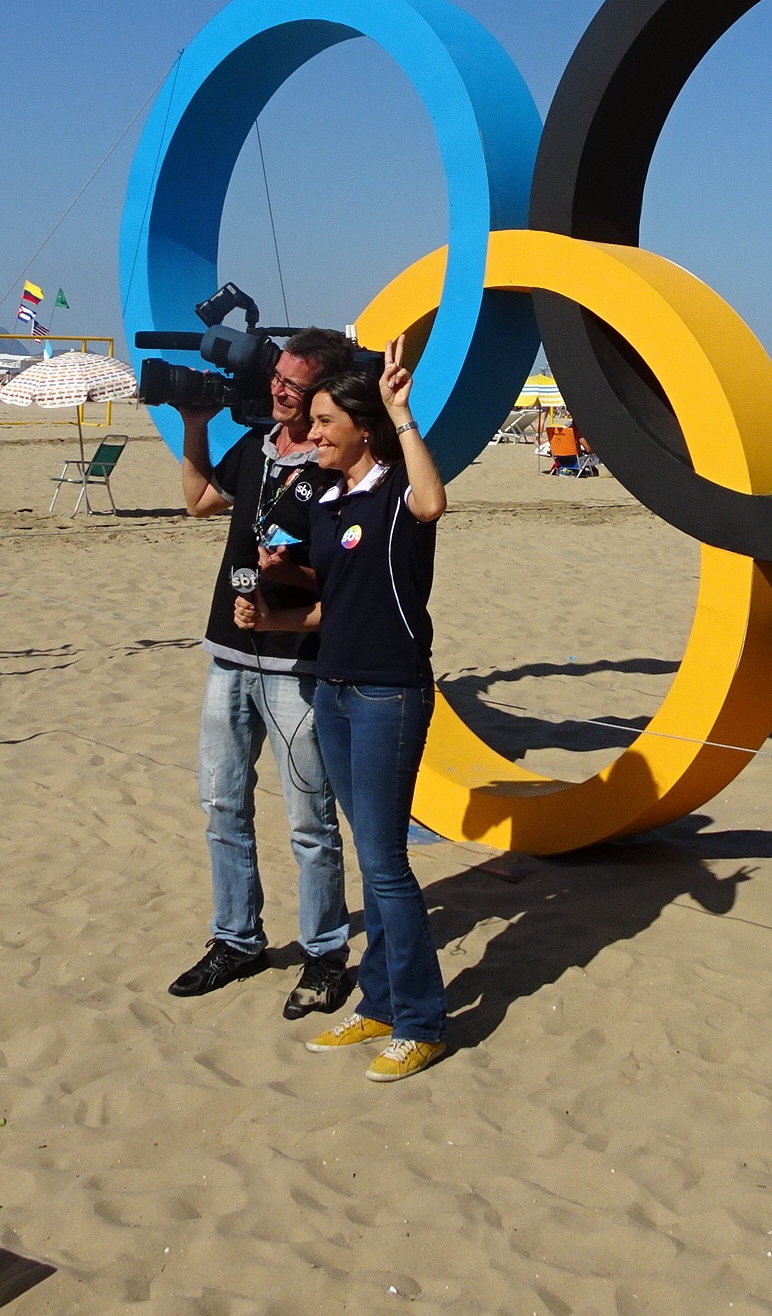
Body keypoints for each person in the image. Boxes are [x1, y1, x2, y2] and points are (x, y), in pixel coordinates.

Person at [236, 340, 453, 1082]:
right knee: (373, 859)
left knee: (387, 865)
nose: (314, 433)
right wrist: (275, 611)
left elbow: (433, 503)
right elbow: (334, 604)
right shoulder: (327, 505)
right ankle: (382, 1003)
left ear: (363, 428)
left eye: (327, 422)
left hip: (390, 691)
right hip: (332, 689)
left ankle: (421, 1020)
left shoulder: (395, 489)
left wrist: (404, 414)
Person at [166, 328, 356, 1019]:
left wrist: (289, 573)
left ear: (324, 395)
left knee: (309, 817)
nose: (277, 389)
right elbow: (199, 502)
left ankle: (326, 955)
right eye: (276, 377)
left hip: (295, 662)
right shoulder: (259, 448)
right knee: (221, 802)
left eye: (295, 385)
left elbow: (348, 580)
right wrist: (193, 429)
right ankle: (237, 940)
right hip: (228, 652)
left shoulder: (338, 468)